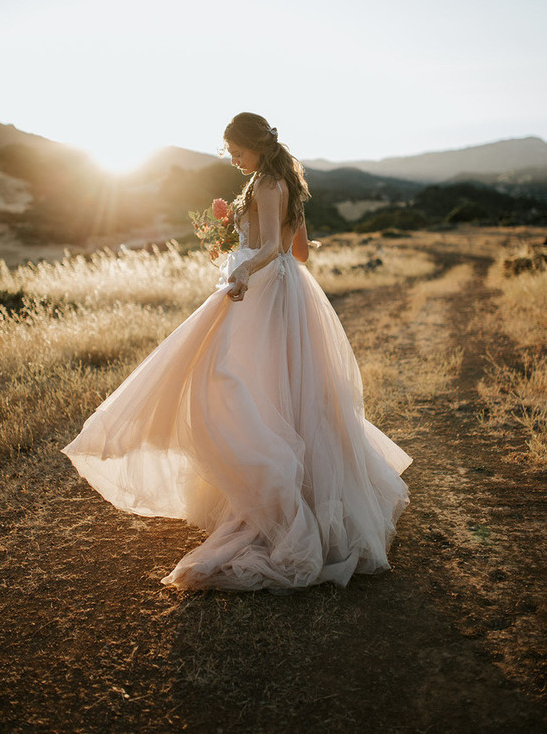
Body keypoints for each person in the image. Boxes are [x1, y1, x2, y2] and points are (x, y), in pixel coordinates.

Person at [61, 112, 412, 592]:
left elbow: (271, 245)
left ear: (256, 147)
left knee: (231, 377)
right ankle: (293, 486)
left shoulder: (268, 184)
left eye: (236, 151)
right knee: (281, 387)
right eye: (229, 151)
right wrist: (243, 242)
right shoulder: (287, 182)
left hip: (264, 292)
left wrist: (245, 264)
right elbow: (301, 252)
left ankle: (270, 493)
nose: (232, 158)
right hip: (289, 291)